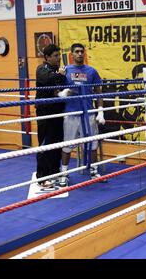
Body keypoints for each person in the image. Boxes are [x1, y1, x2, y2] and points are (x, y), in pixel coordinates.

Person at [59, 43, 106, 187]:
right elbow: (56, 89)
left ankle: (94, 171)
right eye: (77, 52)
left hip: (88, 113)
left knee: (92, 144)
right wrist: (62, 93)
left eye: (81, 51)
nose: (79, 54)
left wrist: (100, 110)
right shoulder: (65, 70)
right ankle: (64, 174)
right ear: (72, 54)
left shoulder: (92, 71)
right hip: (71, 113)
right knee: (67, 145)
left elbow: (99, 92)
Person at [35, 44, 71, 188]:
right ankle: (42, 177)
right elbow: (47, 80)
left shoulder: (58, 71)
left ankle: (54, 172)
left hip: (57, 112)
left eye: (58, 55)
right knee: (45, 144)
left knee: (57, 143)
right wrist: (60, 75)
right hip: (45, 113)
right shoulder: (41, 69)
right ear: (47, 57)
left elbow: (60, 88)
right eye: (55, 56)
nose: (58, 58)